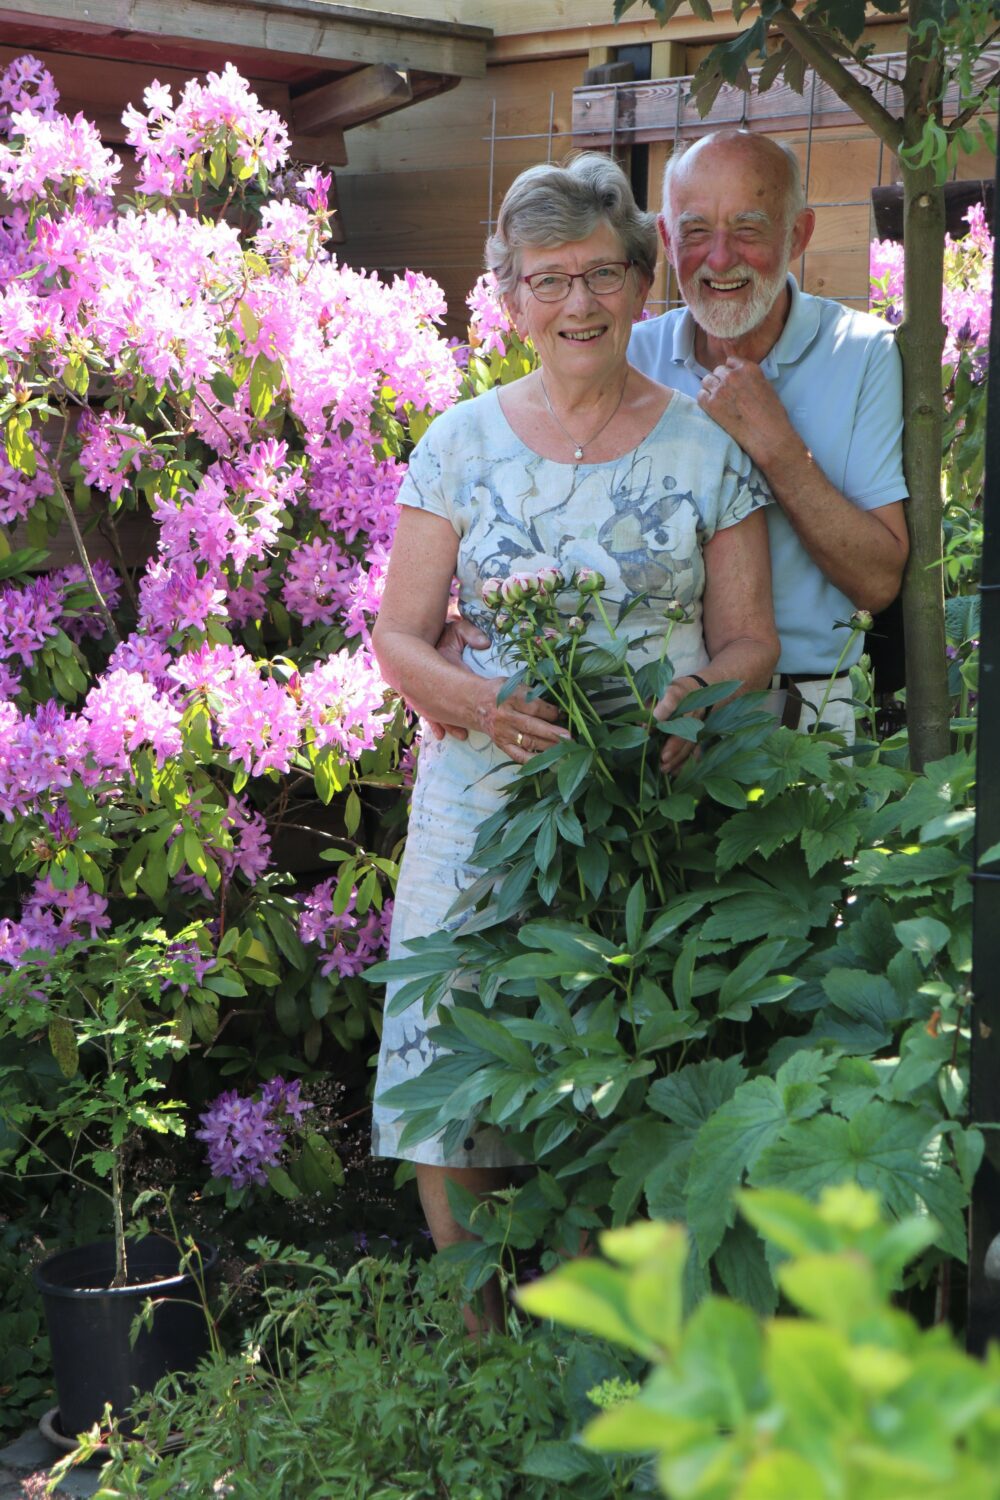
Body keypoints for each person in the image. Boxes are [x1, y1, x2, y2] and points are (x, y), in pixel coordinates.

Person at [370, 153, 779, 1327]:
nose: (577, 305)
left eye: (600, 274)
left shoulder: (704, 447)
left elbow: (749, 641)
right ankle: (483, 1342)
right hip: (480, 800)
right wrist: (479, 702)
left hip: (641, 811)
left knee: (624, 1054)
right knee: (458, 1056)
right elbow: (398, 641)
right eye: (546, 281)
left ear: (643, 284)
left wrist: (694, 698)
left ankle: (612, 1343)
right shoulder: (457, 443)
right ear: (506, 299)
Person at [628, 129, 910, 734]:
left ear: (799, 235)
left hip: (802, 717)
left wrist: (777, 445)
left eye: (749, 230)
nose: (720, 258)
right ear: (665, 237)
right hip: (644, 717)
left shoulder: (861, 354)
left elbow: (878, 582)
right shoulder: (631, 357)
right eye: (696, 231)